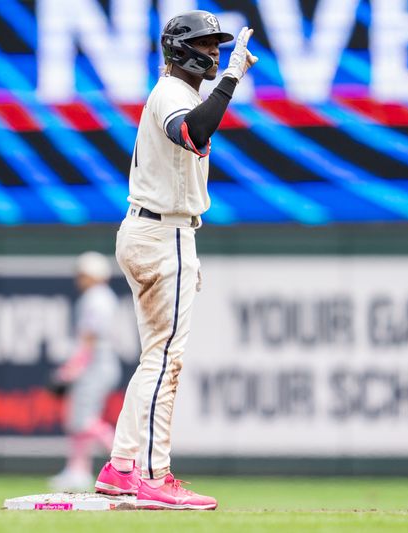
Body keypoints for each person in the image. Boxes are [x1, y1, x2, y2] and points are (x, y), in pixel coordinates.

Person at [92, 10, 257, 510]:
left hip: (161, 230)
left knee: (155, 359)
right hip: (161, 232)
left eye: (217, 45)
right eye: (206, 44)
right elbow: (193, 132)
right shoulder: (171, 94)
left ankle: (121, 468)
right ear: (179, 48)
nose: (213, 52)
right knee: (164, 361)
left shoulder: (180, 93)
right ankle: (152, 474)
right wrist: (231, 78)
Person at [48, 251, 121, 492]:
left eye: (82, 274)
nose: (78, 278)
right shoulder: (100, 296)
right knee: (78, 421)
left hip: (95, 366)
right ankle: (78, 470)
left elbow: (89, 338)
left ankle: (127, 462)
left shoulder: (96, 298)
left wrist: (71, 369)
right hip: (95, 365)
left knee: (85, 421)